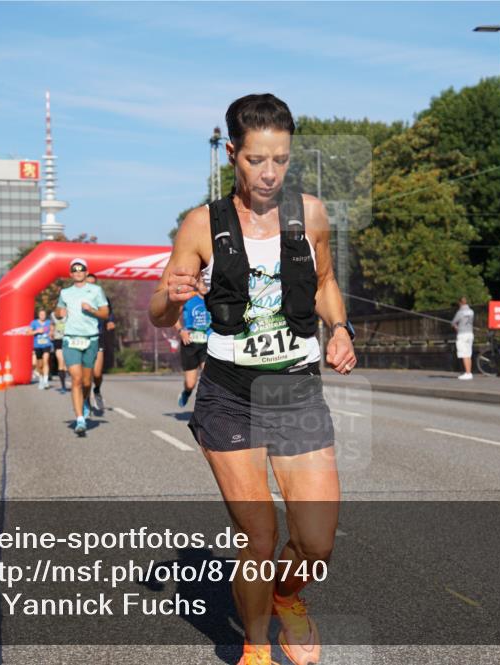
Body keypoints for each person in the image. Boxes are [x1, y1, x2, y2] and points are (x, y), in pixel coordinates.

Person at [149, 93, 356, 665]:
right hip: (230, 393)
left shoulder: (310, 215)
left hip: (294, 387)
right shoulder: (201, 223)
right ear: (232, 154)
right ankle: (256, 648)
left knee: (315, 544)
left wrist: (339, 329)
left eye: (281, 160)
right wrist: (171, 297)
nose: (269, 174)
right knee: (258, 538)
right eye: (256, 160)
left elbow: (324, 283)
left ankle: (289, 596)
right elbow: (160, 311)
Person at [56, 258, 109, 434]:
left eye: (81, 270)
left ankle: (86, 400)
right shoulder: (65, 293)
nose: (78, 272)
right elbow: (58, 310)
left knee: (87, 381)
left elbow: (105, 313)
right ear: (71, 274)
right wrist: (60, 312)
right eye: (75, 270)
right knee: (76, 379)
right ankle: (80, 419)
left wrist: (92, 310)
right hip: (70, 338)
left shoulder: (96, 290)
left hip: (91, 339)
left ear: (86, 272)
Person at [84, 274, 115, 414]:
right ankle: (85, 399)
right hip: (82, 337)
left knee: (97, 373)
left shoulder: (102, 298)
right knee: (85, 374)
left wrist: (110, 321)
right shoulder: (77, 298)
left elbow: (109, 312)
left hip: (98, 336)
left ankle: (96, 390)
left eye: (93, 284)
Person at [173, 293, 211, 407]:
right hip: (190, 343)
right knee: (190, 384)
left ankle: (206, 407)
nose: (205, 283)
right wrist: (181, 331)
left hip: (208, 343)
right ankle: (187, 392)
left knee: (209, 377)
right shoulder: (187, 298)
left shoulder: (214, 297)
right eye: (202, 280)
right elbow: (173, 316)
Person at [451, 296, 475, 380]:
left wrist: (456, 327)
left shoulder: (460, 312)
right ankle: (469, 372)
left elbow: (453, 322)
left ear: (460, 303)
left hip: (462, 334)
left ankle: (467, 373)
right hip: (470, 333)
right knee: (468, 354)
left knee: (464, 354)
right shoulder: (472, 311)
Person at [30, 308, 54, 390]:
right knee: (39, 365)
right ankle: (41, 379)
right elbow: (28, 332)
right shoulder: (34, 323)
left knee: (45, 361)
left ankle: (46, 380)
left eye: (44, 315)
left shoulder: (49, 322)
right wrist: (37, 331)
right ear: (38, 315)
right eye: (41, 315)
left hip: (47, 344)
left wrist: (51, 333)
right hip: (37, 345)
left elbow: (52, 331)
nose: (42, 316)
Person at [50, 310, 68, 393]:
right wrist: (51, 332)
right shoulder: (53, 315)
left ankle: (66, 375)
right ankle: (63, 385)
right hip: (58, 340)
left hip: (68, 339)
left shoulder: (69, 314)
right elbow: (52, 325)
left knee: (66, 363)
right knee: (61, 361)